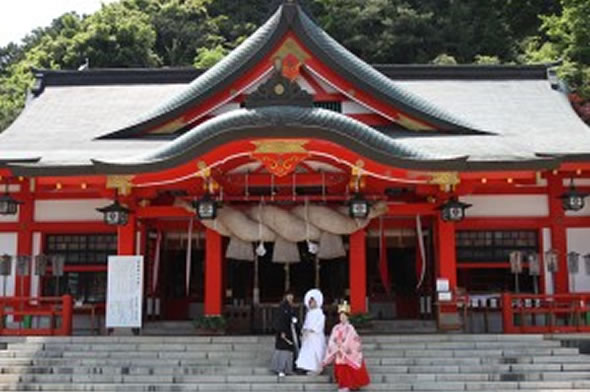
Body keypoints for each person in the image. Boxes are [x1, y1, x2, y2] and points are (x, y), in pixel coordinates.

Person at [322, 301, 370, 392]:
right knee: (341, 370)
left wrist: (343, 346)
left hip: (345, 351)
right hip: (338, 351)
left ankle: (350, 385)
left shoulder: (350, 328)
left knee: (347, 369)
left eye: (344, 316)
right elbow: (332, 339)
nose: (342, 317)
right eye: (341, 316)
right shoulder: (336, 327)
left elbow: (352, 339)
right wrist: (335, 345)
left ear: (347, 317)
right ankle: (342, 385)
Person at [295, 288, 326, 375]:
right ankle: (307, 367)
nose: (311, 303)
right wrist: (304, 330)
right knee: (307, 352)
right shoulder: (309, 313)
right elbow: (306, 323)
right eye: (310, 302)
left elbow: (320, 324)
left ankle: (316, 369)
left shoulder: (320, 313)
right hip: (308, 336)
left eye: (312, 301)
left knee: (316, 352)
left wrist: (313, 329)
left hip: (316, 336)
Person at [270, 290, 298, 377]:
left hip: (290, 331)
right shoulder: (282, 307)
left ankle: (288, 369)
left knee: (289, 351)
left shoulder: (290, 307)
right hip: (283, 332)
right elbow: (279, 320)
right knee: (282, 351)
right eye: (289, 296)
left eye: (292, 296)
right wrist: (281, 331)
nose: (290, 297)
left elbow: (293, 318)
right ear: (285, 296)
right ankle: (280, 369)